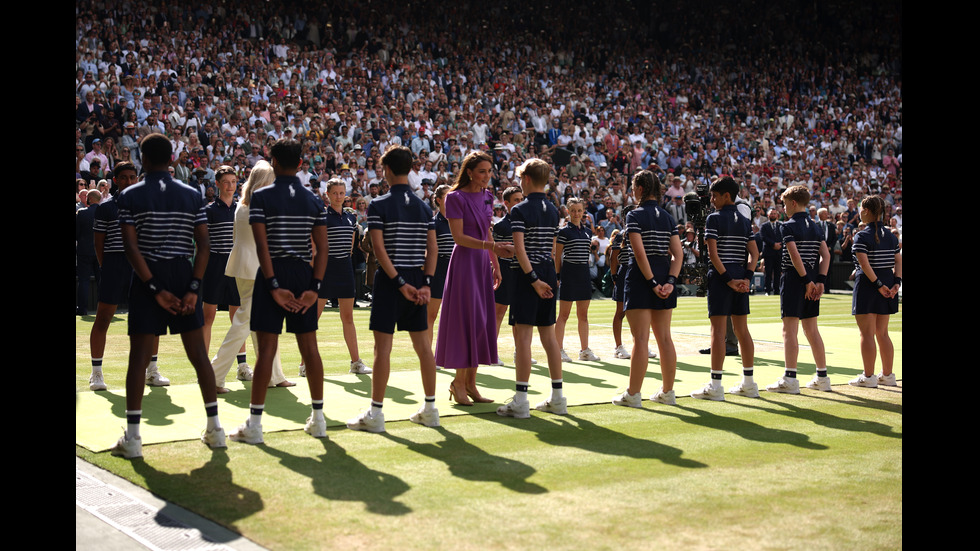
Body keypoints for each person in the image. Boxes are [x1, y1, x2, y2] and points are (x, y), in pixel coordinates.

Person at [111, 133, 224, 458]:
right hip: (183, 274)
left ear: (142, 159)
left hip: (149, 278)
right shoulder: (191, 194)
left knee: (139, 359)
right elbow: (203, 246)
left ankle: (133, 439)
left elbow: (131, 248)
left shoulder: (130, 195)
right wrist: (193, 289)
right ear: (171, 158)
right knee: (198, 356)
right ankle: (215, 430)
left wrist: (154, 290)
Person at [229, 138, 329, 444]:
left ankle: (255, 425)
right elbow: (322, 249)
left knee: (267, 350)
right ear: (300, 164)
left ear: (274, 162)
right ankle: (319, 419)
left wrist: (273, 286)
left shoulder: (262, 197)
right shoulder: (313, 200)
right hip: (303, 273)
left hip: (272, 272)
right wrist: (314, 288)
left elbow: (262, 245)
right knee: (309, 347)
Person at [346, 145, 440, 433]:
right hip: (416, 278)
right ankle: (430, 408)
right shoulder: (424, 207)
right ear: (411, 168)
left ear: (386, 170)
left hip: (391, 281)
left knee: (382, 349)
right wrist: (424, 283)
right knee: (424, 347)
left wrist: (399, 284)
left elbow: (378, 248)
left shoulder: (379, 204)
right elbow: (432, 250)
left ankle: (376, 414)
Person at [436, 151, 514, 405]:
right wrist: (491, 249)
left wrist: (496, 264)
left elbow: (487, 231)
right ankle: (458, 382)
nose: (487, 176)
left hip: (481, 262)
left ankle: (470, 384)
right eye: (482, 171)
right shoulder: (454, 198)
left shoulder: (488, 196)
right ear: (469, 172)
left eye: (490, 172)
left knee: (481, 323)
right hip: (464, 263)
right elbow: (458, 238)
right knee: (466, 322)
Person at [211, 160, 294, 392]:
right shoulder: (261, 205)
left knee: (261, 325)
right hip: (257, 269)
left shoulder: (243, 205)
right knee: (245, 323)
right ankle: (214, 374)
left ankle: (273, 375)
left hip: (244, 268)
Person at [88, 162, 168, 391]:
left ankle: (151, 371)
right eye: (123, 177)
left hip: (142, 267)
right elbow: (99, 244)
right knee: (103, 317)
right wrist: (109, 268)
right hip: (115, 266)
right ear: (115, 180)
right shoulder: (105, 208)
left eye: (132, 177)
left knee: (151, 319)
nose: (129, 181)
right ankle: (96, 373)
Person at [497, 158, 567, 418]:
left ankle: (521, 399)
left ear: (525, 179)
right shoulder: (552, 209)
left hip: (529, 277)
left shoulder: (519, 210)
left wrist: (533, 278)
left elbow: (520, 250)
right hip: (547, 271)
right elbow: (549, 248)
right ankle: (558, 397)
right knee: (549, 338)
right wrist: (545, 276)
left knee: (523, 338)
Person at [612, 170, 681, 408]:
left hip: (642, 278)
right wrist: (670, 282)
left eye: (633, 187)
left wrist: (652, 282)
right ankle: (668, 391)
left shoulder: (634, 215)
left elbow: (639, 253)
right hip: (664, 275)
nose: (632, 191)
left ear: (640, 189)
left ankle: (633, 394)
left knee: (640, 339)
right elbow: (678, 254)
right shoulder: (667, 216)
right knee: (664, 338)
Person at [691, 176, 760, 401]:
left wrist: (728, 279)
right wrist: (746, 278)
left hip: (723, 278)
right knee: (742, 330)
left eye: (714, 195)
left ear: (726, 196)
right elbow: (755, 254)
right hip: (740, 275)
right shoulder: (743, 220)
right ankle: (749, 383)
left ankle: (716, 385)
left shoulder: (714, 219)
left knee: (718, 332)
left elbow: (713, 254)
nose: (711, 200)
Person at [766, 185, 833, 394]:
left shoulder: (787, 226)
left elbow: (794, 255)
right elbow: (826, 255)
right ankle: (822, 377)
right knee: (812, 329)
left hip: (796, 280)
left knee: (790, 329)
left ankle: (790, 378)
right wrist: (819, 281)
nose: (784, 208)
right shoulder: (816, 226)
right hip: (813, 278)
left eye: (785, 204)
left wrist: (806, 281)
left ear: (793, 203)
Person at [304, 178, 372, 376]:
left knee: (348, 317)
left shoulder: (351, 217)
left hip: (345, 269)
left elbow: (351, 245)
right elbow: (313, 247)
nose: (338, 197)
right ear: (328, 194)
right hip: (324, 269)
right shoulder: (321, 216)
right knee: (313, 318)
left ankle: (356, 362)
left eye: (342, 193)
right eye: (335, 193)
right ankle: (304, 364)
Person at [849, 196, 901, 388]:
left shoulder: (861, 236)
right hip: (887, 283)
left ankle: (869, 376)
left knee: (867, 334)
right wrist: (896, 283)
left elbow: (864, 264)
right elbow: (898, 261)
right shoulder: (891, 236)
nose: (860, 212)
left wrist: (879, 285)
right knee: (883, 333)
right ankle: (887, 375)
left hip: (869, 286)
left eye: (862, 209)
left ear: (867, 212)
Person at [202, 166, 244, 359]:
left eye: (234, 182)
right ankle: (202, 365)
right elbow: (202, 243)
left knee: (238, 317)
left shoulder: (241, 209)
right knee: (208, 316)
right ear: (217, 184)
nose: (230, 186)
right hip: (215, 264)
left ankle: (242, 365)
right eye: (226, 182)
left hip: (237, 265)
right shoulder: (209, 210)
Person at [555, 197, 600, 362]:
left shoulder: (588, 232)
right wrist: (558, 276)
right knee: (564, 315)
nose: (576, 213)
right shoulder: (563, 231)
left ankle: (584, 351)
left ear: (583, 212)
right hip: (569, 272)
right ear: (568, 211)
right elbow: (557, 256)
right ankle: (557, 350)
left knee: (583, 315)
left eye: (579, 210)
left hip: (583, 272)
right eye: (573, 210)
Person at [491, 186, 530, 366]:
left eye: (521, 199)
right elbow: (495, 253)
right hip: (506, 272)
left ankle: (520, 353)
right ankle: (491, 353)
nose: (520, 203)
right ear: (506, 203)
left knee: (520, 315)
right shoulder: (500, 225)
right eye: (516, 200)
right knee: (499, 313)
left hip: (522, 272)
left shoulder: (526, 223)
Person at [425, 185, 455, 353]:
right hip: (439, 269)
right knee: (431, 315)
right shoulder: (433, 223)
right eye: (448, 196)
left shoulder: (460, 220)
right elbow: (428, 251)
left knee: (456, 317)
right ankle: (429, 355)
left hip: (457, 269)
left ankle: (451, 354)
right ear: (438, 200)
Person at [76, 189, 101, 316]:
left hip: (84, 251)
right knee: (101, 281)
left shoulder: (81, 213)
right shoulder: (105, 212)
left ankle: (82, 309)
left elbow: (77, 234)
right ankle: (105, 309)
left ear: (89, 199)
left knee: (84, 280)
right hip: (101, 251)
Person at [760, 209, 782, 295]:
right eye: (771, 214)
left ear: (777, 215)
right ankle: (767, 290)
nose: (773, 215)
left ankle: (777, 290)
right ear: (768, 215)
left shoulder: (781, 225)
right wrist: (773, 244)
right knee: (768, 272)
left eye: (774, 214)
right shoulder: (764, 226)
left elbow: (784, 236)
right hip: (769, 252)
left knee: (777, 273)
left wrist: (779, 245)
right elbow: (763, 237)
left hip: (778, 252)